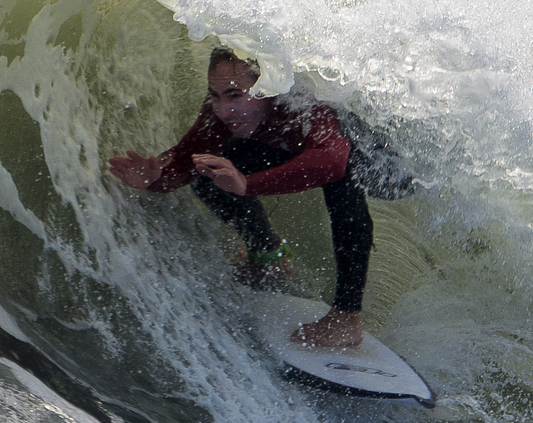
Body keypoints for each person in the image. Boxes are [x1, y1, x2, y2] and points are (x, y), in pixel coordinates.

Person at [108, 48, 373, 347]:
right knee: (209, 169)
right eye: (216, 95)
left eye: (235, 96)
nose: (223, 109)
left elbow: (331, 162)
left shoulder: (303, 102)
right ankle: (268, 255)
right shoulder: (220, 112)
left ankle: (347, 317)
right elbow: (185, 160)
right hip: (295, 146)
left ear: (267, 87)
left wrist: (246, 183)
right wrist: (156, 178)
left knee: (344, 177)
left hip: (385, 167)